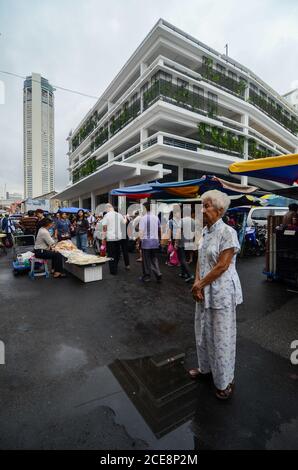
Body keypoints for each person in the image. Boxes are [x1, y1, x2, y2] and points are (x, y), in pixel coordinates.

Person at [191, 190, 243, 400]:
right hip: (203, 290)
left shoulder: (227, 232)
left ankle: (224, 382)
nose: (202, 210)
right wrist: (196, 282)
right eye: (202, 205)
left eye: (206, 206)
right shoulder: (205, 231)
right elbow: (200, 259)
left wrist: (199, 285)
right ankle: (205, 370)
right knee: (203, 332)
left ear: (220, 210)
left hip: (220, 292)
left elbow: (222, 266)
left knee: (221, 338)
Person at [139, 202, 162, 282]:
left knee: (146, 260)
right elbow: (159, 229)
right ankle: (158, 273)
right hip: (155, 242)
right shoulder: (156, 218)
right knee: (154, 258)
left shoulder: (143, 218)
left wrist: (139, 241)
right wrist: (159, 239)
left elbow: (141, 231)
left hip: (146, 242)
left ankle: (147, 276)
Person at [102, 203, 125, 275]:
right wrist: (126, 217)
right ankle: (115, 266)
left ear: (107, 208)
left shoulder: (106, 215)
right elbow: (124, 223)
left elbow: (104, 228)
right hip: (118, 237)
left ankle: (113, 270)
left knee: (111, 254)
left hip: (110, 238)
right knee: (117, 253)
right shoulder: (119, 215)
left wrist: (103, 238)